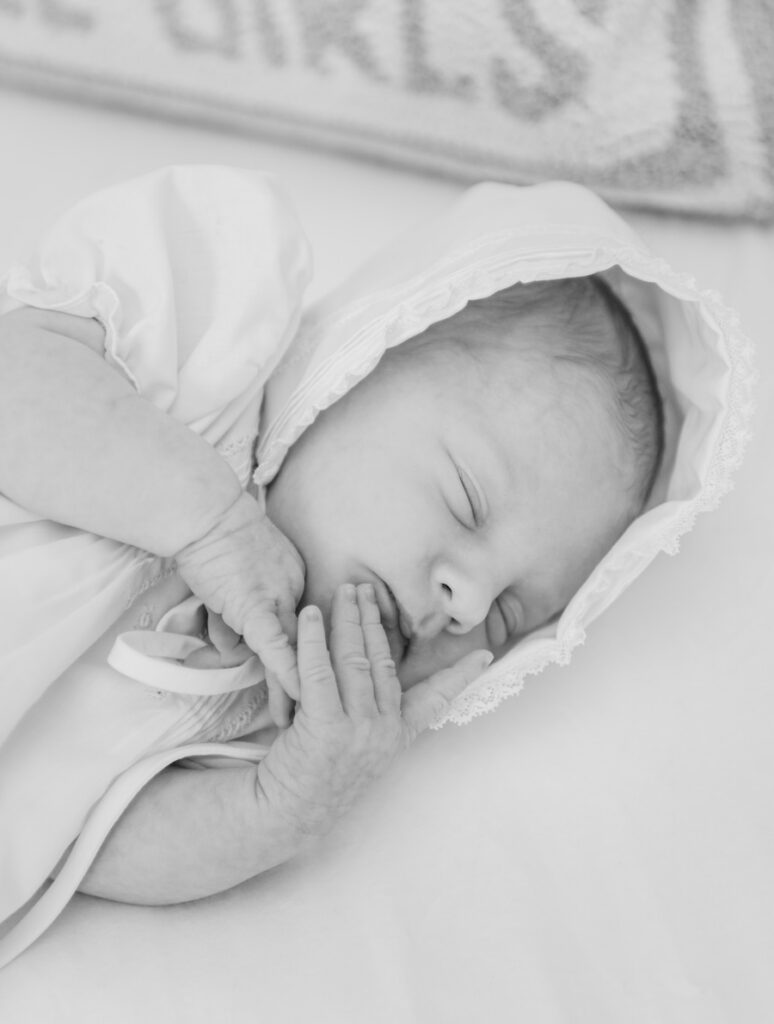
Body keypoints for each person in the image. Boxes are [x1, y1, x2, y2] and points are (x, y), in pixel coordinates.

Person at [0, 166, 661, 950]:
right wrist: (211, 523)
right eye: (467, 499)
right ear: (356, 362)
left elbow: (66, 843)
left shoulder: (264, 711)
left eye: (510, 613)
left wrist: (280, 804)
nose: (469, 601)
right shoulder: (209, 342)